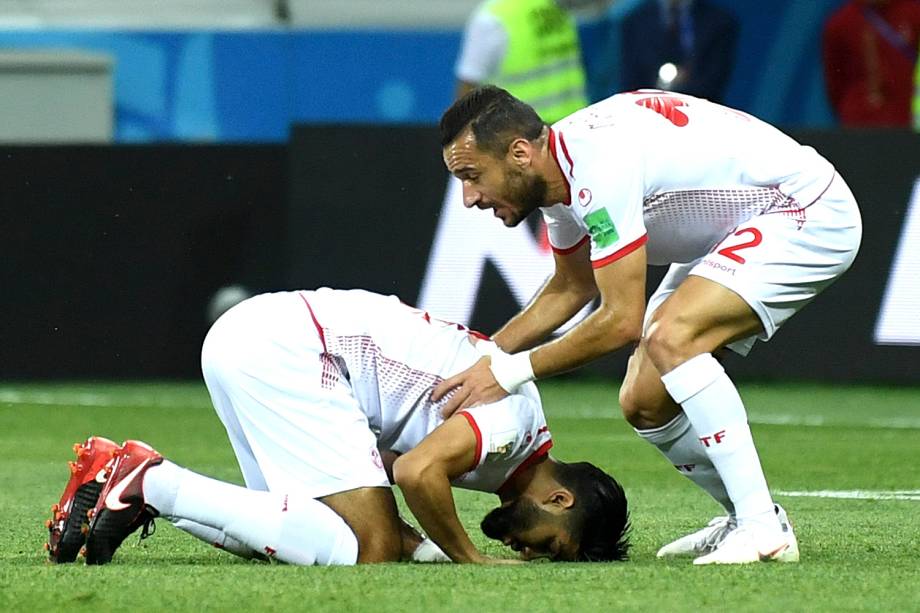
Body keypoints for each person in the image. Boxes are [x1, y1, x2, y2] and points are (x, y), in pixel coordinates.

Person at [434, 86, 862, 565]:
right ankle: (745, 519)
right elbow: (571, 288)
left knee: (672, 337)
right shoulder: (557, 174)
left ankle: (763, 529)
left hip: (804, 210)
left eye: (472, 176)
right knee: (643, 401)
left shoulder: (597, 163)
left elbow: (620, 322)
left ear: (519, 154)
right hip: (735, 227)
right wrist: (487, 355)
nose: (469, 198)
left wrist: (509, 373)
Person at [45, 288, 630, 566]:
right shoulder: (516, 426)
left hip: (256, 336)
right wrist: (468, 559)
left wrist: (426, 549)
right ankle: (150, 481)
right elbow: (416, 471)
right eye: (549, 544)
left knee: (295, 538)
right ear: (559, 497)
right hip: (293, 348)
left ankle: (139, 491)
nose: (527, 550)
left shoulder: (511, 449)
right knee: (365, 548)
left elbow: (399, 490)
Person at [455, 0, 588, 124]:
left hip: (571, 124)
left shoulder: (556, 4)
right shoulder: (491, 20)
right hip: (525, 132)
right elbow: (469, 85)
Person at [823, 0, 920, 127]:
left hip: (908, 120)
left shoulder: (914, 12)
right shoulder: (841, 22)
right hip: (859, 124)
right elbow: (836, 84)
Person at [620, 0, 738, 104]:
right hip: (645, 113)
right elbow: (631, 78)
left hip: (700, 114)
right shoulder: (635, 20)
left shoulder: (720, 22)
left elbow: (715, 78)